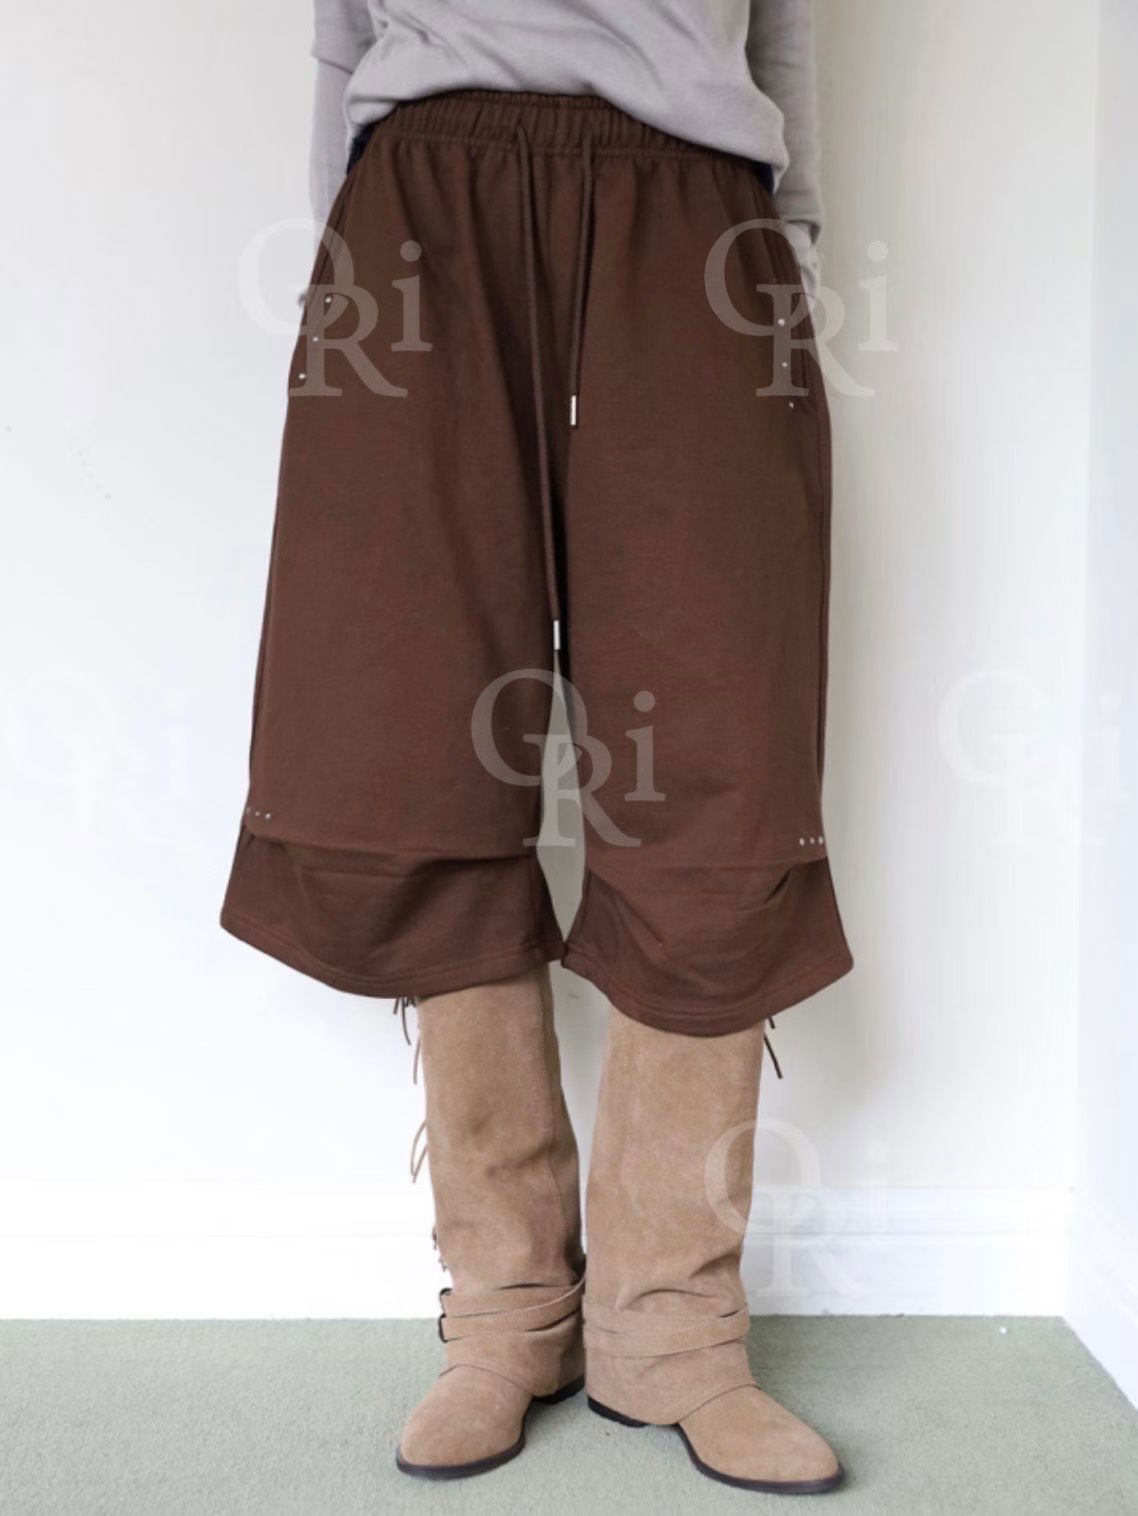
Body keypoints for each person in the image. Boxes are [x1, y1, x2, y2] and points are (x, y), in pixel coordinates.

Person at [221, 0, 852, 1494]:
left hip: (695, 219)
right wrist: (352, 263)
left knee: (720, 758)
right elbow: (342, 30)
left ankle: (670, 1332)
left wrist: (786, 256)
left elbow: (781, 28)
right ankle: (507, 1315)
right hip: (418, 218)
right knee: (408, 745)